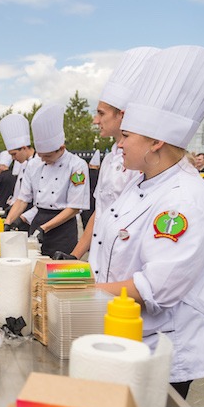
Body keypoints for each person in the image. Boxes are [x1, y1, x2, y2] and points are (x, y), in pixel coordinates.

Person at [90, 45, 204, 398]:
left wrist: (79, 295)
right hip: (122, 337)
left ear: (156, 141)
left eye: (127, 137)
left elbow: (155, 288)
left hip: (160, 353)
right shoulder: (139, 182)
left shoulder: (184, 200)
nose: (120, 146)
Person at [66, 47, 160, 260]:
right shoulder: (109, 160)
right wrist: (75, 255)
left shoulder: (145, 162)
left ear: (122, 115)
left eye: (101, 113)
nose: (95, 120)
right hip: (100, 260)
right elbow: (100, 213)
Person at [5, 104, 90, 257]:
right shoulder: (34, 164)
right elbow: (23, 199)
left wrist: (45, 228)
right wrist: (9, 221)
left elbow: (75, 207)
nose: (43, 159)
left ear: (61, 148)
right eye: (40, 155)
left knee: (57, 274)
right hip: (38, 224)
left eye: (48, 156)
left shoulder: (77, 166)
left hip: (63, 228)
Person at [1, 113, 37, 230]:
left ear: (24, 148)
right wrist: (9, 219)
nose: (13, 158)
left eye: (14, 154)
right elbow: (21, 197)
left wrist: (19, 218)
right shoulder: (24, 165)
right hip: (23, 214)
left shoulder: (39, 163)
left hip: (36, 219)